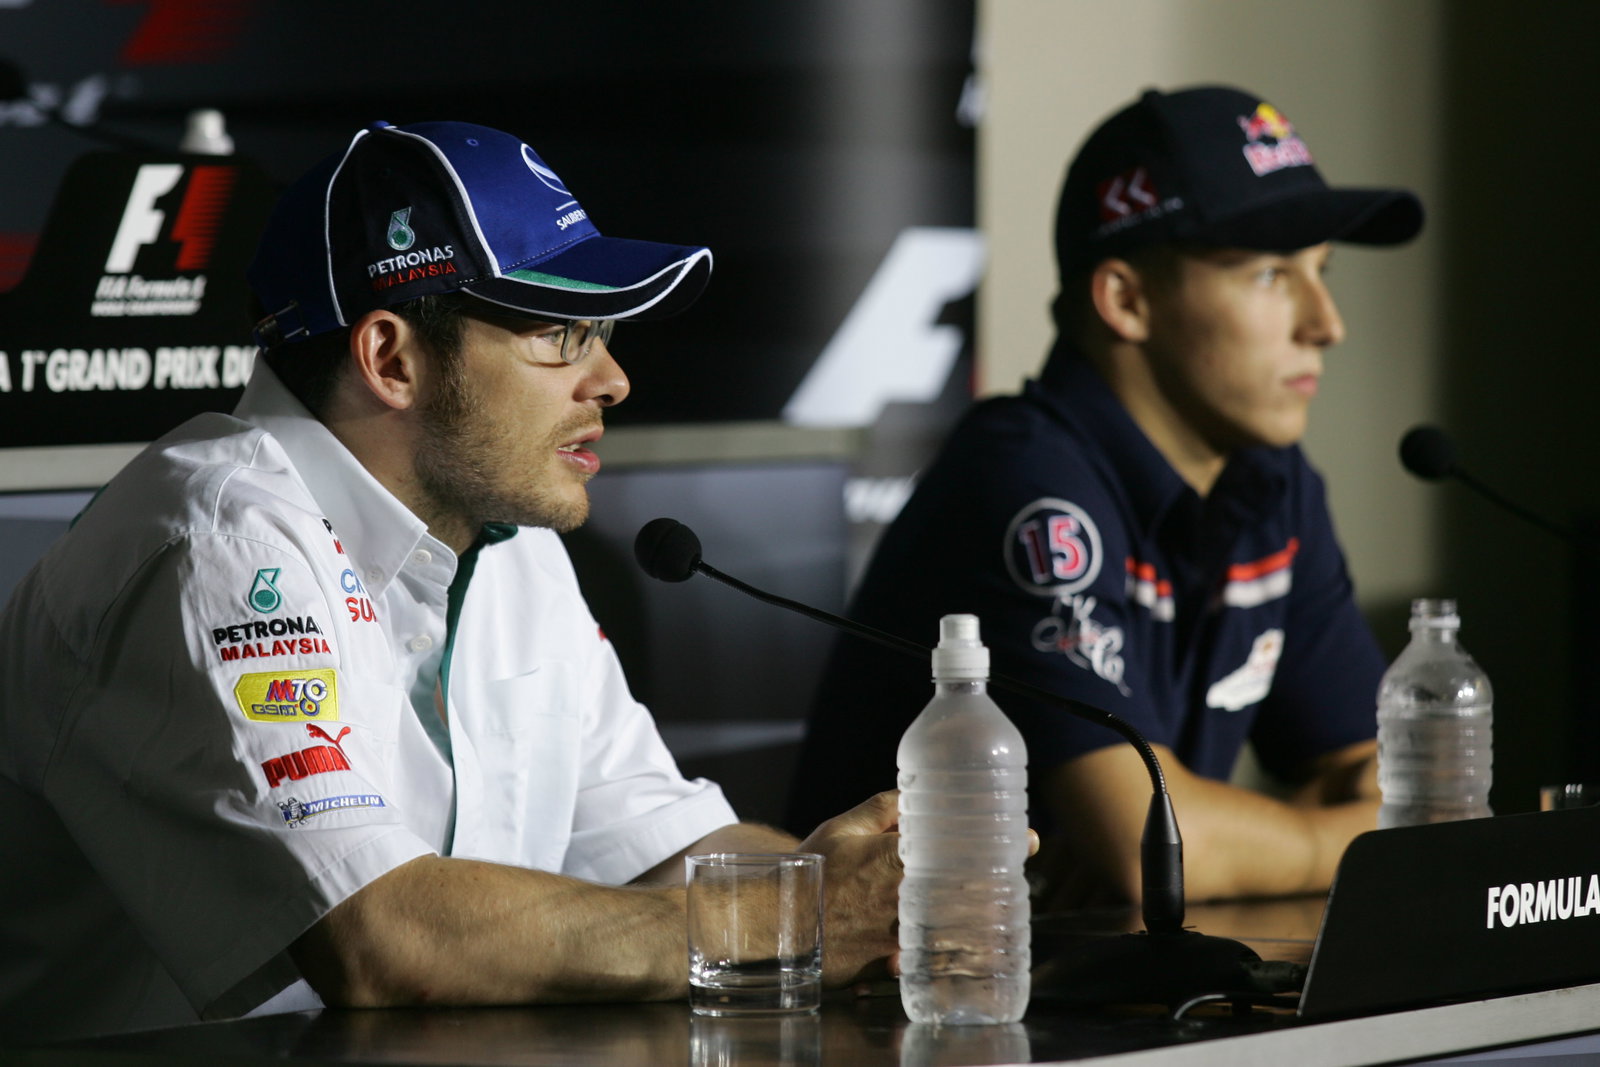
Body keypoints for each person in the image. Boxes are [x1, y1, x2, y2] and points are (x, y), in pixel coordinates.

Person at [0, 120, 902, 1043]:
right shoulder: (220, 540)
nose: (614, 378)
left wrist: (876, 906)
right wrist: (788, 925)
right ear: (392, 359)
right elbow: (383, 942)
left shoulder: (511, 542)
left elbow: (662, 853)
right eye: (560, 333)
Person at [789, 86, 1423, 907]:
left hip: (1104, 995)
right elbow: (1146, 844)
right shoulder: (1022, 477)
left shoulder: (1270, 482)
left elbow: (1379, 772)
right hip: (913, 1006)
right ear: (1126, 300)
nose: (1326, 322)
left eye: (1322, 271)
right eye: (1271, 273)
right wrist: (1334, 838)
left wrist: (1247, 836)